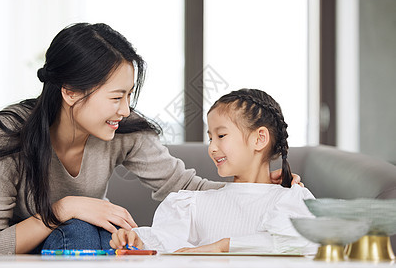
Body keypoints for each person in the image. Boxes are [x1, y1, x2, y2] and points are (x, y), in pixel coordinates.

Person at [0, 23, 300, 255]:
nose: (125, 110)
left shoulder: (123, 131)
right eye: (116, 97)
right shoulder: (7, 134)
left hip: (86, 247)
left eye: (129, 96)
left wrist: (256, 190)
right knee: (82, 230)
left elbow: (182, 186)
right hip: (30, 255)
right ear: (69, 91)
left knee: (113, 237)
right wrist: (65, 208)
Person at [110, 88, 317, 254]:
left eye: (221, 135)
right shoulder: (195, 204)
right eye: (211, 138)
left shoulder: (288, 199)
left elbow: (302, 240)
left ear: (259, 138)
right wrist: (137, 240)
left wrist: (223, 246)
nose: (212, 148)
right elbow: (167, 240)